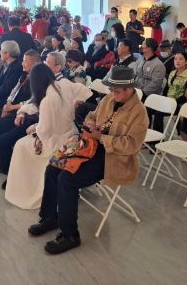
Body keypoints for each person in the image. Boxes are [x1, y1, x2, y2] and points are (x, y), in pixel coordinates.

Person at [28, 66, 148, 255]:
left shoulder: (139, 112)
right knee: (53, 168)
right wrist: (91, 122)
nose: (112, 94)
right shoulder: (109, 99)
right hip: (89, 146)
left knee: (67, 179)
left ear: (129, 89)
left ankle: (70, 235)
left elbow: (132, 145)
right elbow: (93, 114)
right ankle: (50, 217)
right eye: (111, 90)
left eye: (116, 91)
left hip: (113, 158)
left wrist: (102, 138)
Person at [5, 63, 93, 210]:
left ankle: (26, 189)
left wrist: (33, 127)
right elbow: (86, 91)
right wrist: (75, 102)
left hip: (57, 143)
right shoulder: (64, 83)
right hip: (72, 134)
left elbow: (44, 131)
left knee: (20, 146)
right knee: (22, 144)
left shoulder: (48, 100)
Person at [152, 51, 187, 133]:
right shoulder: (172, 73)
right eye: (175, 59)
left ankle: (157, 138)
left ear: (186, 62)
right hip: (168, 101)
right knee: (148, 108)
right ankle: (146, 135)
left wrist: (173, 102)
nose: (177, 61)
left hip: (178, 104)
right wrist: (164, 100)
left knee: (158, 113)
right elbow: (166, 89)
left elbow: (186, 95)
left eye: (180, 59)